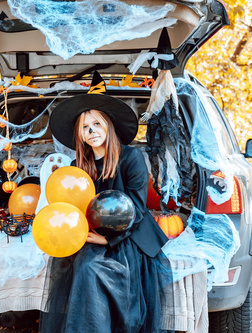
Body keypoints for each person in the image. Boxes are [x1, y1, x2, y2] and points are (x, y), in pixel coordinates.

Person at [41, 71, 172, 332]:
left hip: (127, 235)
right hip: (90, 232)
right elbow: (71, 209)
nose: (91, 131)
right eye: (85, 127)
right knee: (82, 268)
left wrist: (108, 240)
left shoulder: (131, 158)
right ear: (79, 135)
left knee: (92, 269)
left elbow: (135, 210)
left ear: (109, 125)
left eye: (97, 124)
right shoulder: (76, 166)